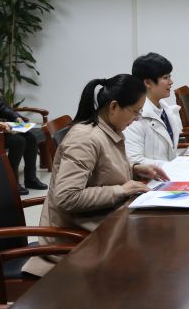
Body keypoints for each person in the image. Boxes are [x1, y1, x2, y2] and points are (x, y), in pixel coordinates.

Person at [22, 74, 169, 277]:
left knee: (156, 242)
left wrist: (135, 168)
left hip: (100, 224)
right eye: (135, 112)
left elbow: (101, 170)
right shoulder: (85, 139)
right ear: (114, 106)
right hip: (76, 239)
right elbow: (67, 197)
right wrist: (121, 190)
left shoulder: (106, 129)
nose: (136, 118)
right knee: (155, 253)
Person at [124, 53, 183, 166]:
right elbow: (134, 160)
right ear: (147, 82)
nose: (171, 82)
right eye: (165, 78)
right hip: (153, 176)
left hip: (168, 172)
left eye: (169, 76)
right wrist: (172, 167)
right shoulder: (134, 118)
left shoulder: (164, 108)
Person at [0, 89, 47, 194]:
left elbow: (1, 106)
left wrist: (16, 117)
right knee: (18, 141)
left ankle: (31, 179)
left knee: (31, 138)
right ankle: (11, 182)